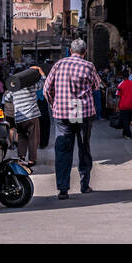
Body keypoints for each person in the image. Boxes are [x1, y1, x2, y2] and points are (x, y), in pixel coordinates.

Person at [43, 39, 102, 199]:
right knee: (84, 148)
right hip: (82, 112)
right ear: (85, 52)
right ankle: (84, 184)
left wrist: (54, 103)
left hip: (62, 113)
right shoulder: (88, 66)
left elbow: (47, 89)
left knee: (63, 150)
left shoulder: (59, 65)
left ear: (70, 50)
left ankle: (63, 188)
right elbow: (97, 86)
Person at [8, 65, 44, 164]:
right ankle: (32, 160)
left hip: (19, 118)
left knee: (22, 137)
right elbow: (42, 84)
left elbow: (7, 98)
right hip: (32, 116)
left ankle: (21, 157)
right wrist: (41, 71)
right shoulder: (31, 85)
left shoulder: (13, 88)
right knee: (33, 137)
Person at [116, 70, 132, 139]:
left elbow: (118, 97)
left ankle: (128, 134)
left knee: (125, 120)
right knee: (128, 119)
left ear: (122, 76)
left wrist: (117, 106)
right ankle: (125, 133)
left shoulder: (120, 85)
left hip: (123, 105)